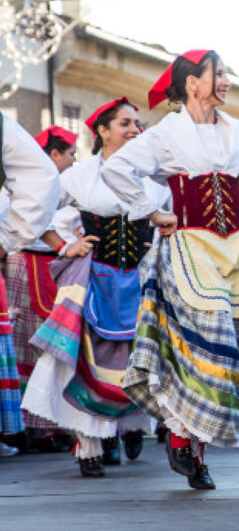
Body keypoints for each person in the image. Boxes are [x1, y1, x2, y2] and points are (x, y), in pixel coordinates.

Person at [100, 49, 239, 489]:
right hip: (189, 250)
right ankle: (181, 435)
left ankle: (194, 449)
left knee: (234, 348)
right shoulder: (165, 136)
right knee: (195, 346)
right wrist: (149, 211)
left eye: (226, 75)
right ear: (193, 83)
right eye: (219, 75)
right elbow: (118, 168)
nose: (227, 82)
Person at [24, 98, 170, 477]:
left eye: (137, 124)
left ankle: (130, 425)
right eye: (125, 123)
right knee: (89, 358)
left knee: (136, 355)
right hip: (94, 278)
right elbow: (37, 212)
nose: (135, 130)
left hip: (138, 280)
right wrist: (65, 245)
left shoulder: (152, 178)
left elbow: (169, 219)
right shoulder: (79, 175)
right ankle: (88, 444)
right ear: (102, 131)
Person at [6, 125, 77, 453]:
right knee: (24, 344)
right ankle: (24, 425)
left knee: (50, 344)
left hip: (52, 263)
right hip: (26, 259)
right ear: (53, 155)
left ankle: (50, 424)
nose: (74, 159)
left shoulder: (71, 184)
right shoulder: (26, 184)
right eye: (70, 153)